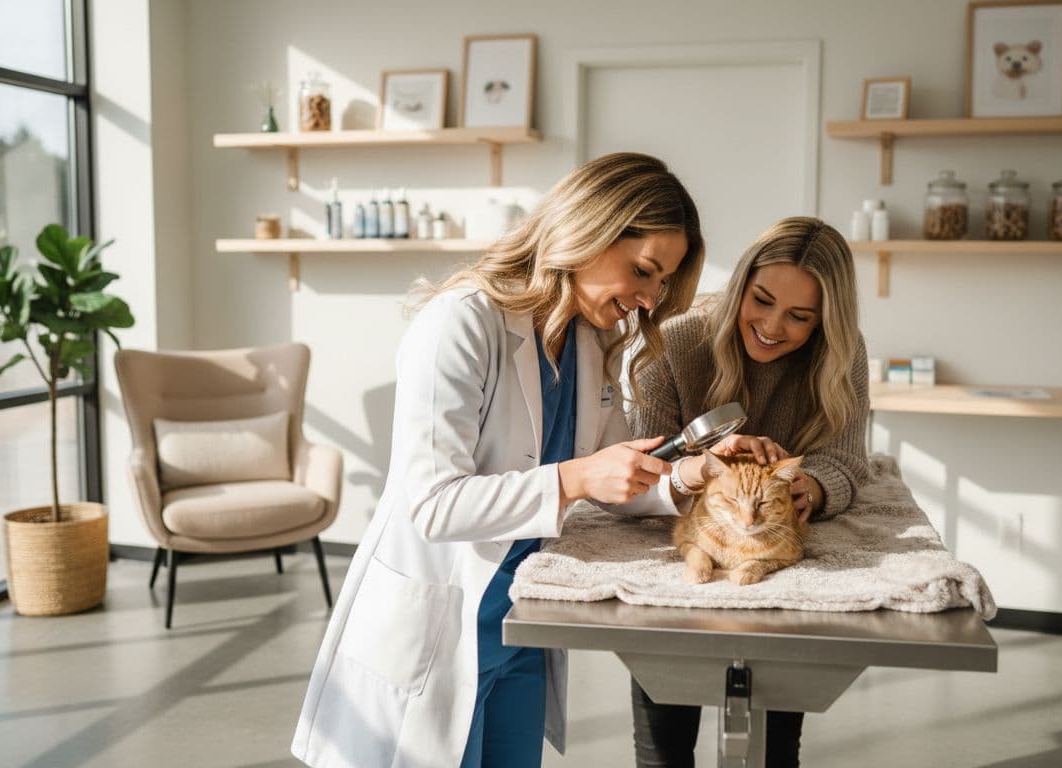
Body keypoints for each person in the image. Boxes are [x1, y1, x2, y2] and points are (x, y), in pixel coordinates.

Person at [292, 152, 707, 768]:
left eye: (662, 283)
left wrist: (691, 474)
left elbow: (613, 473)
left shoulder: (590, 342)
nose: (650, 299)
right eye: (644, 271)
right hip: (440, 627)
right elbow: (434, 505)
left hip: (521, 626)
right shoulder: (460, 323)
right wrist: (576, 477)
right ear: (588, 230)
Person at [628, 217, 871, 768]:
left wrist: (810, 487)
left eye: (799, 317)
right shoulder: (677, 338)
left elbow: (848, 458)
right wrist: (704, 466)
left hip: (771, 549)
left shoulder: (842, 354)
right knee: (664, 736)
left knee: (775, 741)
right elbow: (646, 463)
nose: (771, 326)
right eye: (760, 300)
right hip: (692, 538)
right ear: (740, 285)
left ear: (825, 321)